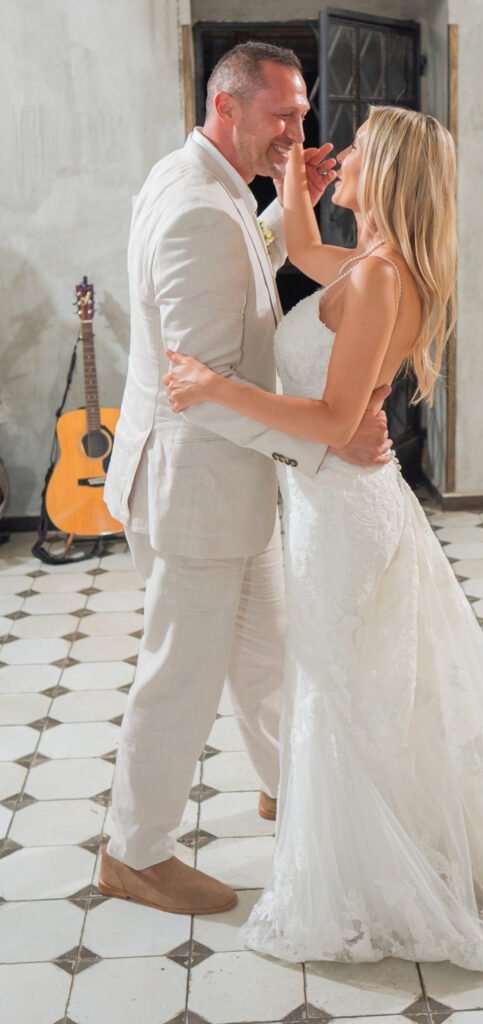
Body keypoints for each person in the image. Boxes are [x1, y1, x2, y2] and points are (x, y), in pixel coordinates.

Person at [163, 104, 483, 971]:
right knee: (361, 685)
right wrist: (285, 177)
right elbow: (301, 253)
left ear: (391, 177)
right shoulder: (373, 263)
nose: (340, 159)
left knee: (343, 688)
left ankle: (375, 874)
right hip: (339, 504)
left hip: (343, 511)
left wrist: (214, 388)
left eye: (358, 153)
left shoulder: (382, 280)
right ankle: (386, 841)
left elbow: (340, 419)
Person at [98, 42, 391, 917]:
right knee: (180, 675)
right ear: (230, 109)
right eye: (284, 114)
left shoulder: (194, 180)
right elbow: (200, 384)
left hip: (227, 490)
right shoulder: (198, 207)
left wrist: (276, 201)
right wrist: (326, 444)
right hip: (196, 494)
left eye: (302, 113)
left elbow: (233, 275)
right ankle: (135, 852)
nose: (302, 131)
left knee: (267, 656)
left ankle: (288, 784)